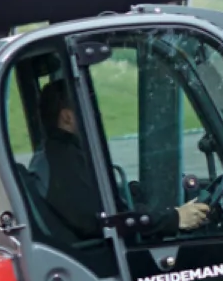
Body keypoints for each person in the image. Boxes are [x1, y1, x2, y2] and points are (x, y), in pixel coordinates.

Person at [33, 78, 209, 241]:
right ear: (67, 118)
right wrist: (175, 219)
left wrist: (129, 193)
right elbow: (106, 221)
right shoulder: (64, 163)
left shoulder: (58, 156)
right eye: (88, 110)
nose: (96, 115)